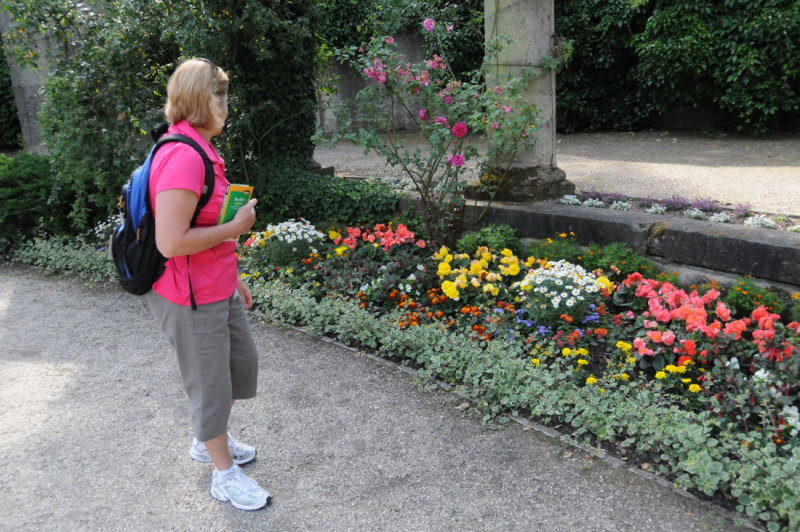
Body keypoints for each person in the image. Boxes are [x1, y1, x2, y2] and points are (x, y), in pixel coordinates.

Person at [146, 57, 271, 511]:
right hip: (189, 295)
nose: (225, 102)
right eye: (217, 93)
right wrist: (236, 228)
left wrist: (233, 276)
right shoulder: (183, 155)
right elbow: (171, 243)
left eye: (225, 92)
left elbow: (205, 220)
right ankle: (222, 473)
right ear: (195, 97)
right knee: (210, 384)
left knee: (241, 365)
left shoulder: (201, 148)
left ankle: (209, 438)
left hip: (215, 285)